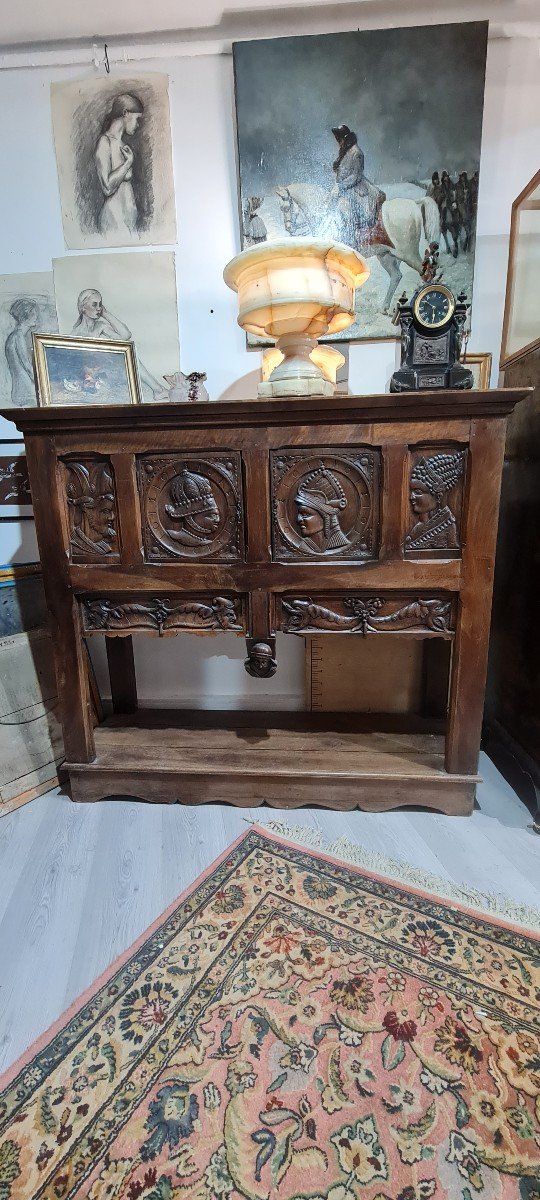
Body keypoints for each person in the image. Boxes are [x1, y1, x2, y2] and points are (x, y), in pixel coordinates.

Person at [72, 288, 165, 399]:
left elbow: (125, 336)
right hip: (91, 374)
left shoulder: (100, 325)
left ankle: (158, 390)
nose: (98, 308)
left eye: (100, 304)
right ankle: (158, 390)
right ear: (83, 307)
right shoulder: (76, 333)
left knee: (128, 351)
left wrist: (106, 313)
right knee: (125, 354)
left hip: (105, 368)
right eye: (94, 305)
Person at [95, 93, 144, 238]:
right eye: (137, 119)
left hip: (128, 224)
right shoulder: (105, 142)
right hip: (113, 223)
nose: (138, 124)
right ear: (125, 113)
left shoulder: (123, 146)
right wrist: (128, 163)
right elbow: (107, 187)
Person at [330, 124, 385, 245]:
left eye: (339, 139)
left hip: (357, 188)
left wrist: (341, 185)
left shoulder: (356, 152)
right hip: (346, 186)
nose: (338, 142)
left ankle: (353, 238)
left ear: (345, 138)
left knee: (348, 210)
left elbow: (356, 176)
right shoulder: (345, 151)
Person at [405, 452, 465, 551]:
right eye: (412, 491)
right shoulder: (417, 528)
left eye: (418, 492)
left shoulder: (448, 528)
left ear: (438, 495)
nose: (411, 497)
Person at [294, 462, 350, 553]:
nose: (298, 519)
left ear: (326, 517)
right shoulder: (304, 546)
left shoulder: (341, 545)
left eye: (305, 514)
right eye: (300, 514)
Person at [5, 298, 39, 405]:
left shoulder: (14, 336)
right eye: (33, 313)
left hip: (19, 390)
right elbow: (27, 366)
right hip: (26, 391)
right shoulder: (19, 336)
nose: (36, 317)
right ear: (25, 317)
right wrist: (42, 385)